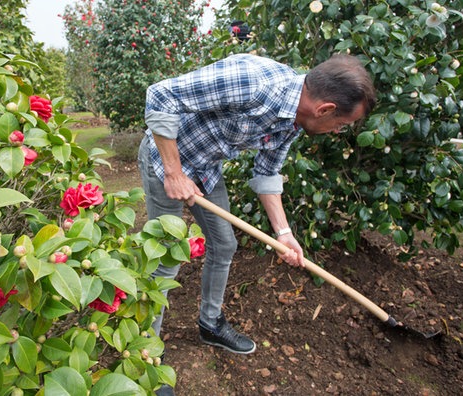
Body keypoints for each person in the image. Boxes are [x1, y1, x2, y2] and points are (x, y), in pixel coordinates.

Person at [139, 53, 376, 395]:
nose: (338, 131)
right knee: (164, 261)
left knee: (224, 244)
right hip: (165, 163)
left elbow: (266, 173)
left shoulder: (293, 120)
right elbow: (160, 94)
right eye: (341, 124)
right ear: (324, 109)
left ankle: (210, 324)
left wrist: (284, 234)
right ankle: (145, 357)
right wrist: (174, 173)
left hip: (205, 168)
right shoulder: (252, 82)